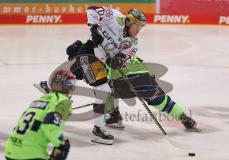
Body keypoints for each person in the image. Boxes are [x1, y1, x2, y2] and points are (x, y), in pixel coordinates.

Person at [66, 6, 198, 145]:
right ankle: (106, 118)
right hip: (95, 56)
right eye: (137, 26)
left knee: (105, 87)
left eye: (141, 28)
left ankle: (110, 117)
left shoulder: (133, 43)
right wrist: (93, 27)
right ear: (128, 22)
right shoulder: (114, 17)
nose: (138, 30)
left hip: (109, 68)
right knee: (106, 88)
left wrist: (116, 61)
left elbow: (119, 60)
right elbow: (92, 9)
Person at [4, 70, 76, 160]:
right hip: (30, 154)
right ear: (67, 86)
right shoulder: (63, 102)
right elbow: (50, 125)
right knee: (64, 145)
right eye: (71, 84)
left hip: (11, 150)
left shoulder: (41, 99)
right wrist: (60, 144)